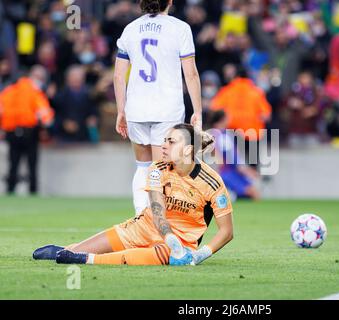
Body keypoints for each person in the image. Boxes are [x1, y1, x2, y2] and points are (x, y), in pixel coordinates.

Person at [33, 124, 233, 266]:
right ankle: (71, 249)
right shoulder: (157, 167)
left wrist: (201, 254)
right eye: (164, 140)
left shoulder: (211, 182)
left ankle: (88, 259)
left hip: (181, 243)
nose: (163, 145)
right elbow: (157, 211)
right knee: (70, 253)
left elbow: (227, 231)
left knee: (160, 254)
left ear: (188, 149)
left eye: (171, 142)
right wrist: (168, 235)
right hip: (144, 227)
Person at [114, 0, 203, 217]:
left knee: (142, 167)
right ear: (170, 2)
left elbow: (118, 76)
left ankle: (140, 218)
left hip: (136, 108)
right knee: (163, 170)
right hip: (167, 108)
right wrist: (198, 110)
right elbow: (190, 74)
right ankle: (158, 226)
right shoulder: (180, 28)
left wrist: (121, 111)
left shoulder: (130, 29)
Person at [0, 65, 54, 194]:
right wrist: (46, 128)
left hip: (12, 132)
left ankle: (10, 189)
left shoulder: (8, 91)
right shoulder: (35, 91)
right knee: (32, 164)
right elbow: (45, 115)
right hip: (30, 132)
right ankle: (33, 190)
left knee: (13, 163)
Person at [209, 110, 260, 200]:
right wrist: (243, 169)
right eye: (228, 118)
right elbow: (222, 157)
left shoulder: (225, 134)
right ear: (222, 119)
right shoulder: (216, 134)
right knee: (253, 193)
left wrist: (245, 169)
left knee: (252, 192)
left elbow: (233, 156)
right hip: (226, 172)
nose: (230, 120)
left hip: (232, 171)